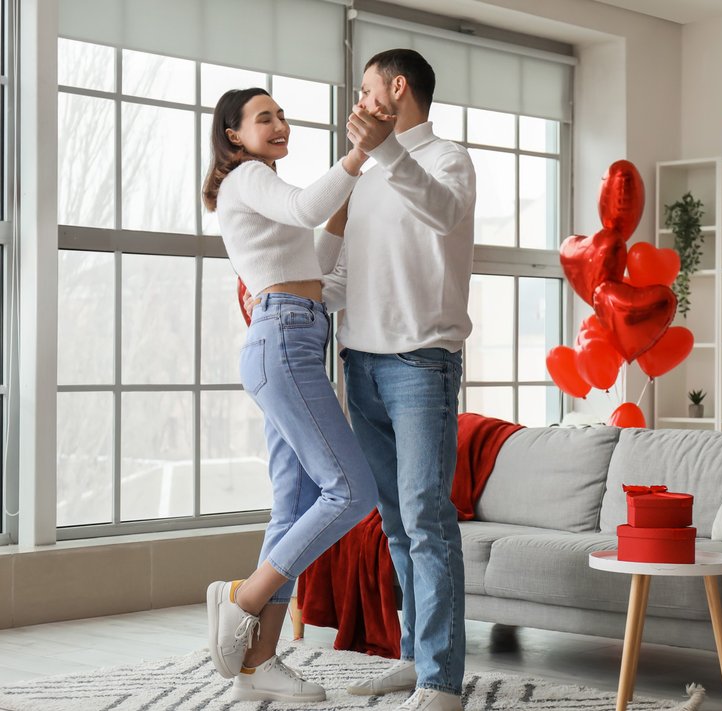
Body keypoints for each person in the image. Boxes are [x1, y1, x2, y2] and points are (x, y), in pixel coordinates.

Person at [201, 86, 394, 703]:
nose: (280, 124)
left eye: (282, 115)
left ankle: (257, 670)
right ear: (233, 135)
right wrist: (357, 157)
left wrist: (342, 211)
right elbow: (308, 206)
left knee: (293, 505)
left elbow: (322, 280)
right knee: (352, 489)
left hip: (297, 336)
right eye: (265, 118)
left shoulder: (262, 194)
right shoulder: (247, 178)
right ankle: (244, 597)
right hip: (283, 340)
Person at [316, 49, 476, 711]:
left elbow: (440, 212)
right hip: (362, 363)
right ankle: (414, 659)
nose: (357, 101)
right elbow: (344, 273)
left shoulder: (447, 160)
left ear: (397, 88)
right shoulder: (366, 175)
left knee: (428, 519)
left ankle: (442, 680)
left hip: (420, 364)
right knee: (396, 524)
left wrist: (383, 153)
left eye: (365, 89)